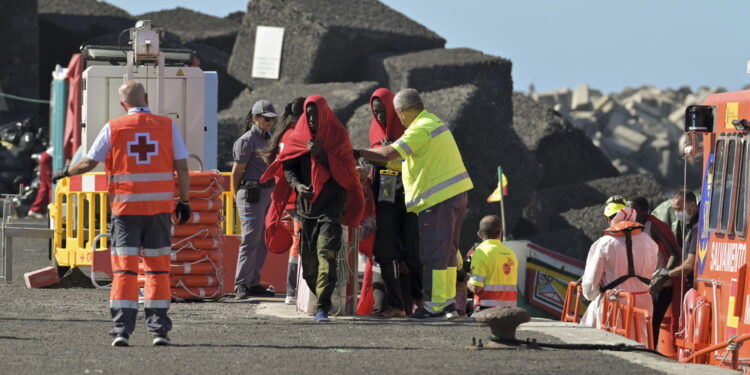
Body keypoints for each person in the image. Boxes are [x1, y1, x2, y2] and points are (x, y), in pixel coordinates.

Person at [51, 80, 190, 347]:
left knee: (125, 271)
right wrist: (183, 201)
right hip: (159, 212)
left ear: (122, 104)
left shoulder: (113, 128)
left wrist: (64, 172)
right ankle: (159, 331)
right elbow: (182, 167)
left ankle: (121, 331)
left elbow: (89, 162)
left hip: (125, 211)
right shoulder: (167, 126)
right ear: (146, 98)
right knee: (158, 271)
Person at [356, 88, 473, 322]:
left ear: (402, 111)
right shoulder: (433, 122)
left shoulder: (419, 128)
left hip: (437, 199)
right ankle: (448, 302)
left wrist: (356, 152)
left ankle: (435, 306)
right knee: (448, 252)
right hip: (456, 195)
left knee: (434, 253)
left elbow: (390, 152)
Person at [261, 95, 364, 322]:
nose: (312, 119)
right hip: (306, 208)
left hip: (331, 208)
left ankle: (323, 307)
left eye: (316, 115)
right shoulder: (298, 136)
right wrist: (298, 185)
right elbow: (288, 167)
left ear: (324, 114)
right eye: (308, 115)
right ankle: (320, 296)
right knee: (308, 264)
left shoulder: (338, 136)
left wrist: (323, 155)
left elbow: (348, 175)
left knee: (326, 254)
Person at [366, 88, 422, 318]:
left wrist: (392, 152)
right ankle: (397, 305)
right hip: (385, 200)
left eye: (383, 112)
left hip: (409, 199)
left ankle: (424, 303)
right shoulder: (374, 132)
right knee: (385, 252)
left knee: (413, 252)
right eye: (375, 112)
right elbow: (373, 168)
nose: (379, 117)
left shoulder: (410, 132)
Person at [581, 206, 658, 333]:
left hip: (614, 303)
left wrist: (591, 294)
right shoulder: (650, 242)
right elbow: (653, 270)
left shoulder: (605, 243)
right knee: (641, 342)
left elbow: (590, 287)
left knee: (611, 342)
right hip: (644, 302)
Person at [261, 97, 306, 305]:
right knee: (298, 244)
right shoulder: (295, 135)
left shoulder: (283, 134)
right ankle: (293, 290)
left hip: (285, 200)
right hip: (295, 199)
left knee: (296, 244)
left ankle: (292, 291)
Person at [231, 99, 277, 299]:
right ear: (256, 118)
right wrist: (235, 196)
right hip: (251, 194)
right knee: (250, 239)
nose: (270, 123)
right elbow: (237, 172)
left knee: (262, 239)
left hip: (266, 192)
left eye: (272, 119)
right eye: (266, 119)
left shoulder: (270, 138)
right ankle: (241, 283)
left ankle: (252, 281)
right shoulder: (246, 140)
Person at [627, 196, 681, 342]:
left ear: (645, 211)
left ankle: (649, 354)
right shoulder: (628, 226)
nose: (630, 212)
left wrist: (662, 277)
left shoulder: (654, 226)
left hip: (658, 286)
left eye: (633, 209)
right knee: (637, 323)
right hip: (641, 285)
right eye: (627, 209)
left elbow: (674, 254)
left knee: (651, 324)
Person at [467, 215, 518, 313]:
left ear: (480, 234)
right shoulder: (511, 253)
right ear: (500, 233)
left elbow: (476, 288)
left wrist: (465, 279)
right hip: (510, 311)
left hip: (486, 309)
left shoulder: (481, 252)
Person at [666, 190, 699, 288]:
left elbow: (690, 264)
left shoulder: (697, 227)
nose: (677, 213)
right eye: (675, 210)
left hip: (695, 283)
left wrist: (668, 274)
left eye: (680, 209)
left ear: (692, 205)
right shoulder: (689, 224)